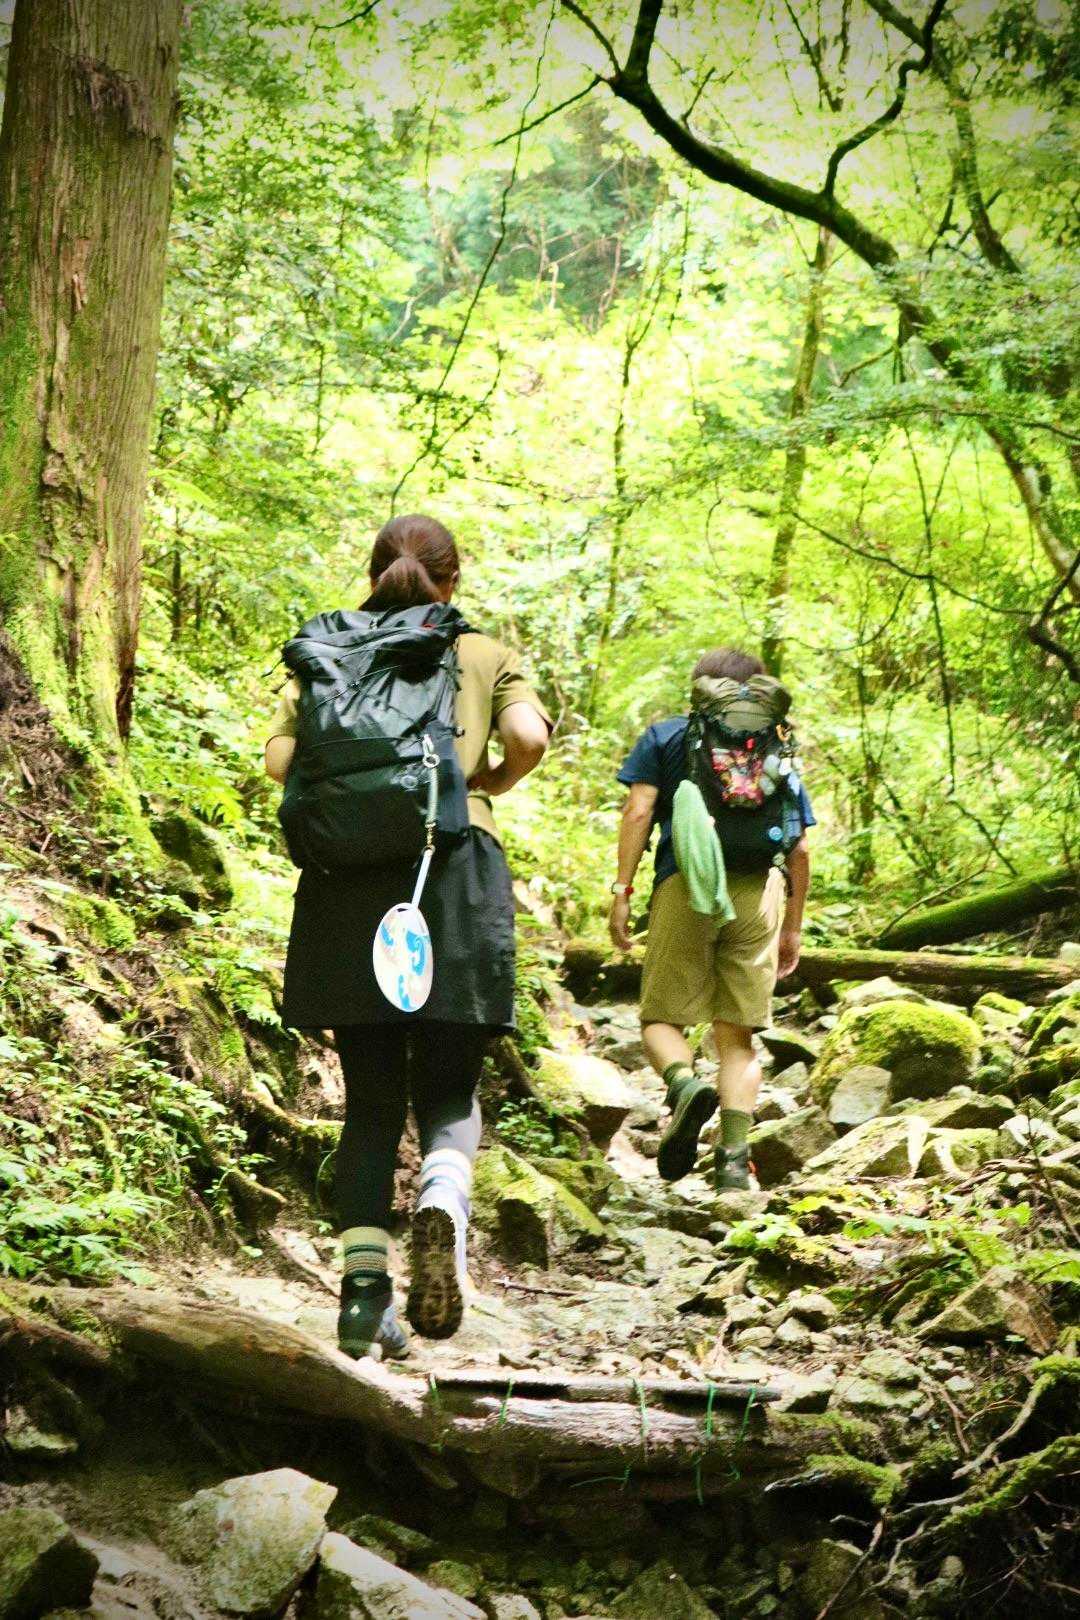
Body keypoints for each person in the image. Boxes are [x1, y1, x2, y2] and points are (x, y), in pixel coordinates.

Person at [265, 514, 551, 1359]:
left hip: (348, 882)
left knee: (369, 1104)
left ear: (374, 574)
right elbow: (527, 738)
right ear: (450, 580)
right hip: (452, 866)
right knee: (450, 1090)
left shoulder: (328, 651)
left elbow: (280, 762)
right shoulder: (483, 651)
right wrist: (486, 779)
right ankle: (441, 1197)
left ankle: (362, 1304)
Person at [609, 648, 813, 1191]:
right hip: (759, 891)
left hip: (686, 884)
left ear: (699, 689)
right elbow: (800, 847)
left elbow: (638, 811)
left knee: (660, 1019)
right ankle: (733, 1164)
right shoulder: (777, 744)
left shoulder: (667, 736)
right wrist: (793, 926)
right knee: (737, 1039)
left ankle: (683, 1086)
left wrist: (622, 890)